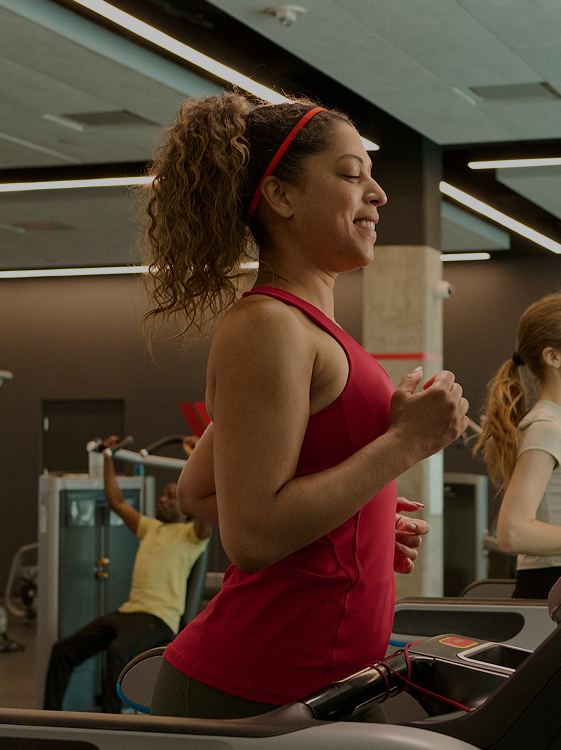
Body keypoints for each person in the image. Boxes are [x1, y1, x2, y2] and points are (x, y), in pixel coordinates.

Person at [140, 94, 469, 719]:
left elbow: (199, 492)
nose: (378, 194)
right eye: (351, 175)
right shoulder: (269, 326)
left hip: (325, 679)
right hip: (256, 686)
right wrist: (404, 444)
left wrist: (357, 520)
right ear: (282, 197)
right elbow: (254, 535)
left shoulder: (311, 330)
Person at [44, 435, 211, 713]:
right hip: (129, 613)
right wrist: (107, 457)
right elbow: (117, 501)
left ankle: (112, 724)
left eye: (171, 496)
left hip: (159, 618)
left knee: (118, 652)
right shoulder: (150, 528)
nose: (163, 499)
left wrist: (197, 456)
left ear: (184, 504)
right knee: (63, 651)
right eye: (163, 495)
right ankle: (48, 719)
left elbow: (203, 499)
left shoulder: (193, 536)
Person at [474, 291, 561, 600]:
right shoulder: (546, 426)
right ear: (553, 357)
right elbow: (512, 534)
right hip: (547, 587)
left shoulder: (560, 423)